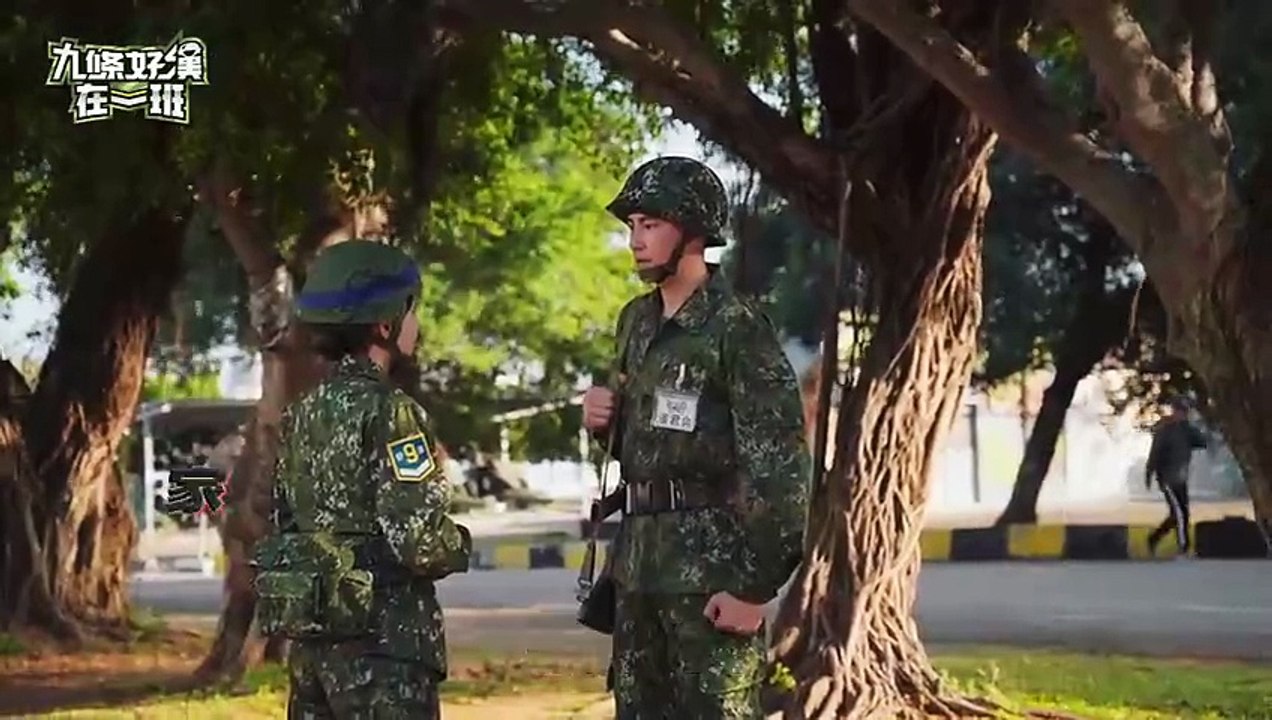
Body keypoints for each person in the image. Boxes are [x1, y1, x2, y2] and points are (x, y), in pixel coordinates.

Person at [582, 156, 811, 718]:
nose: (635, 240)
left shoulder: (737, 329)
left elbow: (780, 467)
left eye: (650, 225)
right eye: (632, 225)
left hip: (712, 578)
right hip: (638, 573)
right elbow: (638, 450)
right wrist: (602, 426)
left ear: (693, 231)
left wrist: (757, 589)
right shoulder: (634, 322)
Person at [252, 239, 472, 719]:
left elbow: (285, 520)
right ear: (386, 323)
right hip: (384, 650)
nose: (418, 323)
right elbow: (419, 543)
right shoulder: (392, 412)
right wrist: (461, 543)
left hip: (313, 649)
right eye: (412, 310)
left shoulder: (302, 413)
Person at [1145, 396, 1208, 557]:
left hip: (1181, 477)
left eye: (1185, 412)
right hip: (1167, 477)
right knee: (1179, 513)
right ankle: (1183, 548)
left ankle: (1154, 538)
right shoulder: (1165, 430)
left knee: (1181, 514)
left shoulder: (1186, 430)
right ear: (1174, 411)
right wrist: (1149, 473)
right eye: (1180, 411)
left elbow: (1202, 442)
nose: (1183, 414)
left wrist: (1194, 429)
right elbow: (1155, 454)